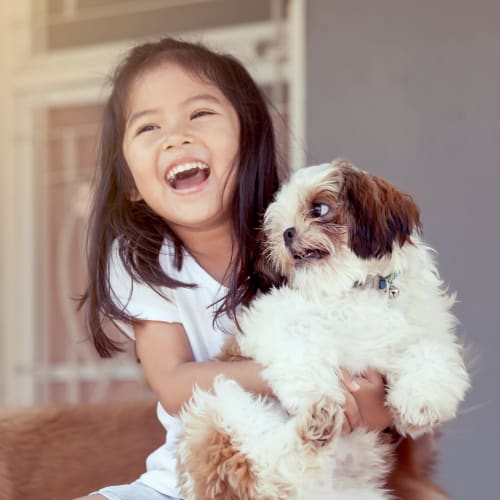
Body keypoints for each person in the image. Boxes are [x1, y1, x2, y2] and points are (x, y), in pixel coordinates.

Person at [75, 37, 394, 500]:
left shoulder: (304, 237)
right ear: (130, 185)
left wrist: (363, 400)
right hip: (193, 482)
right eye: (148, 128)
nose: (176, 137)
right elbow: (174, 384)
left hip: (307, 480)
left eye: (199, 114)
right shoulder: (139, 257)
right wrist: (292, 374)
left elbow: (381, 402)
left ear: (249, 138)